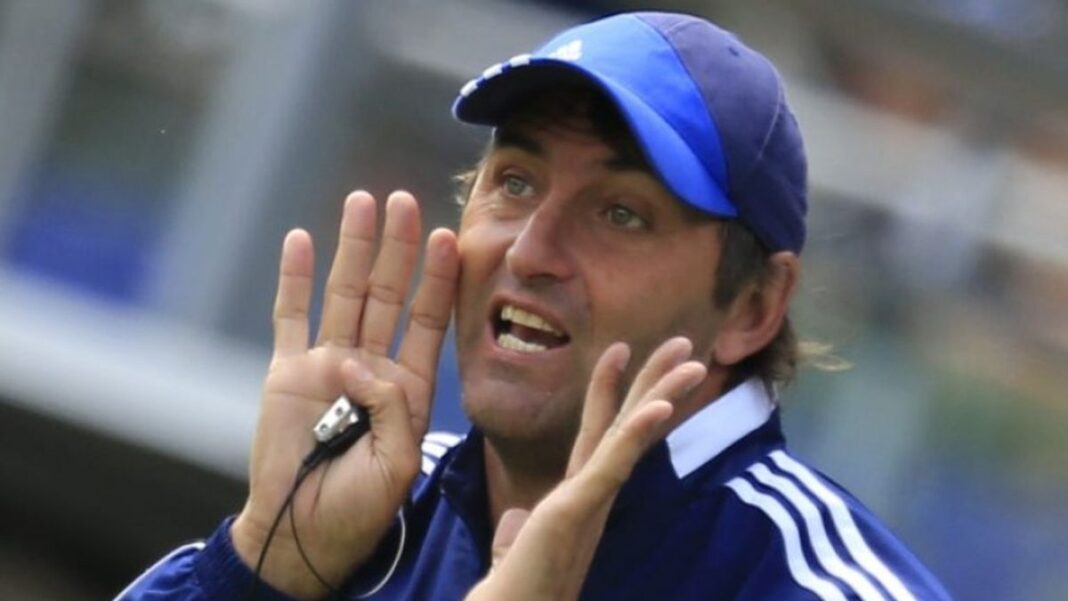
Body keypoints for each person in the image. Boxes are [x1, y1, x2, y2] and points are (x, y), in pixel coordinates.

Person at [116, 12, 950, 601]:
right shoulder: (362, 509)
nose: (529, 251)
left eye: (620, 213)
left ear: (753, 307)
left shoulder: (824, 586)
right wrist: (260, 572)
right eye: (515, 182)